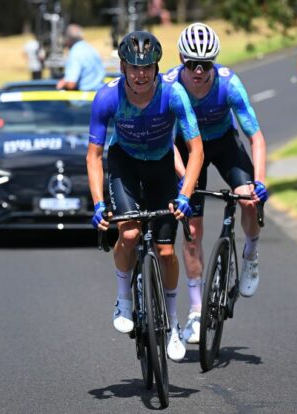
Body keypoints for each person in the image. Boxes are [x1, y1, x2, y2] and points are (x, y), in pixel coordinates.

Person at [86, 31, 204, 362]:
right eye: (134, 68)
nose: (141, 75)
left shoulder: (174, 94)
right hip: (124, 164)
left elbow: (196, 151)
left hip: (162, 166)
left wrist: (186, 194)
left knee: (166, 251)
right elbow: (94, 156)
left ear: (156, 68)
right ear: (123, 67)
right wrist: (97, 204)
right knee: (131, 231)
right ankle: (123, 297)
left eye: (148, 67)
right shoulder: (107, 97)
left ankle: (173, 324)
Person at [166, 22, 269, 344]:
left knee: (248, 199)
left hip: (224, 143)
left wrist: (260, 182)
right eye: (191, 64)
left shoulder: (229, 84)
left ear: (214, 63)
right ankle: (196, 311)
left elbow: (256, 137)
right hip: (184, 150)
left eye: (206, 64)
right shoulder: (169, 86)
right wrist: (187, 180)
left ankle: (251, 255)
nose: (198, 71)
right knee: (192, 231)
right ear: (182, 59)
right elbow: (165, 142)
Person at [56, 24, 105, 91]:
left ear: (68, 39)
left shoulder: (75, 54)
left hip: (84, 98)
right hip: (100, 94)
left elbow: (71, 84)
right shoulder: (91, 49)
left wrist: (62, 83)